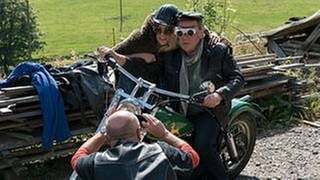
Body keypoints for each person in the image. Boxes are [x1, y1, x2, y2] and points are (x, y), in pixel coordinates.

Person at [154, 12, 245, 179]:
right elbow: (154, 74)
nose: (184, 37)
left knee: (203, 145)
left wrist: (219, 95)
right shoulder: (170, 55)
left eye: (190, 32)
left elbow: (237, 78)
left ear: (202, 32)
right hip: (178, 109)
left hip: (209, 111)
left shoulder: (218, 51)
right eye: (180, 32)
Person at [70, 110, 200, 180]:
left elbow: (77, 158)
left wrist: (103, 132)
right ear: (138, 132)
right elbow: (193, 158)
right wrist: (165, 134)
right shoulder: (161, 151)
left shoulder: (95, 163)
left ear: (108, 137)